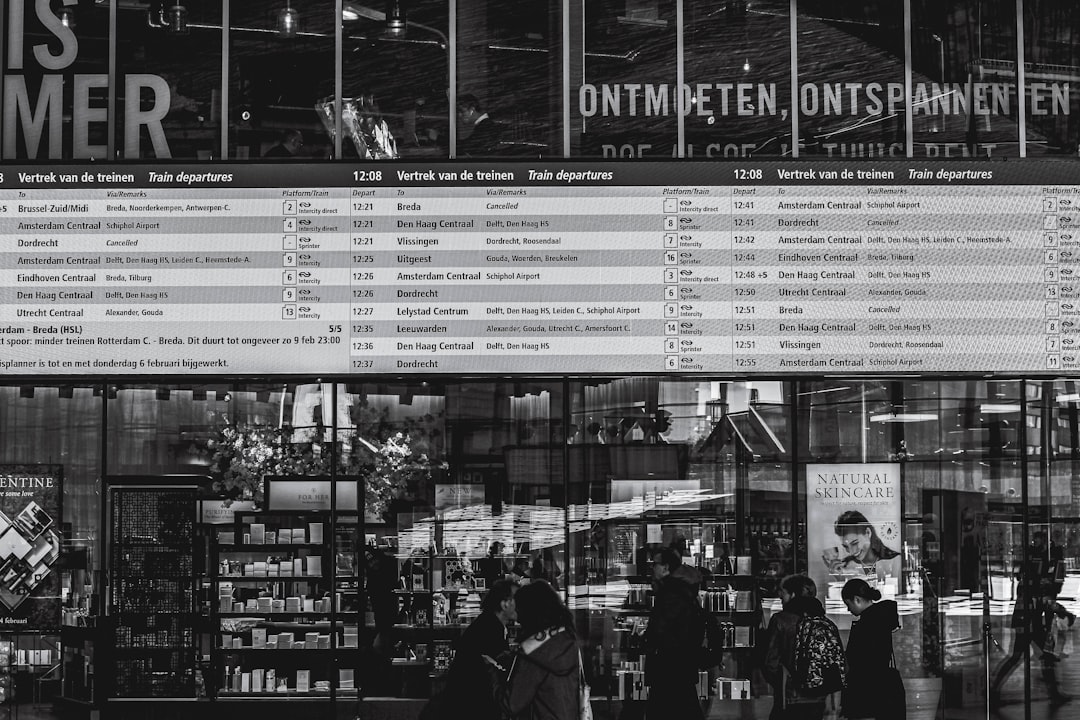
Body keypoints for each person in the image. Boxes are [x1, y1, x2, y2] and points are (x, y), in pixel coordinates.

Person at [990, 531, 1076, 708]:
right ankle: (993, 691)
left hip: (1028, 618)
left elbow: (1040, 597)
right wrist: (1063, 612)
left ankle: (1053, 693)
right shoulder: (1037, 571)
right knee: (1025, 656)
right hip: (1028, 620)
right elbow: (1043, 599)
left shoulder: (1031, 568)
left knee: (1040, 655)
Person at [495, 580, 581, 720]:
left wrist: (492, 672)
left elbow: (511, 704)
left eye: (520, 610)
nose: (518, 619)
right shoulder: (567, 641)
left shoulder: (532, 654)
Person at [438, 580, 518, 720]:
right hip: (470, 707)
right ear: (505, 604)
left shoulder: (489, 623)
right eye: (518, 599)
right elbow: (493, 674)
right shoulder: (490, 629)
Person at [645, 547, 705, 720]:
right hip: (680, 666)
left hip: (670, 668)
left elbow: (661, 630)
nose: (652, 568)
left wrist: (648, 640)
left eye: (655, 564)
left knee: (666, 710)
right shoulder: (682, 590)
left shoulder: (671, 594)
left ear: (666, 568)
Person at [763, 574, 830, 720]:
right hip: (818, 697)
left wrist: (782, 684)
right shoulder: (824, 622)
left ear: (793, 595)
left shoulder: (780, 620)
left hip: (789, 697)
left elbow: (770, 663)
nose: (780, 597)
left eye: (783, 594)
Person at [840, 579, 903, 720]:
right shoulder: (881, 618)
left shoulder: (867, 624)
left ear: (857, 599)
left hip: (866, 691)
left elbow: (859, 661)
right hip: (880, 691)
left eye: (848, 604)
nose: (848, 609)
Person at [824, 510, 900, 576]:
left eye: (855, 543)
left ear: (868, 533)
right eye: (846, 546)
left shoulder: (895, 561)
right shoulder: (845, 566)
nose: (851, 552)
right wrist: (838, 577)